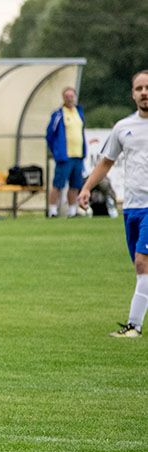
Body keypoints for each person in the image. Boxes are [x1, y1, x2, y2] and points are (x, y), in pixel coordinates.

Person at [78, 70, 148, 337]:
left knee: (143, 263)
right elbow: (106, 162)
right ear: (132, 94)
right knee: (141, 269)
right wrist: (86, 188)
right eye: (139, 88)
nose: (144, 92)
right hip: (131, 208)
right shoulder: (122, 127)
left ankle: (134, 326)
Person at [46, 86, 87, 218]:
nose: (70, 99)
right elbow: (50, 135)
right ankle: (52, 210)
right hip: (64, 156)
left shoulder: (79, 112)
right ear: (63, 98)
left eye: (71, 96)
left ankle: (72, 211)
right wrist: (57, 151)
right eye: (67, 97)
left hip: (78, 155)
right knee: (58, 184)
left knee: (75, 185)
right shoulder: (58, 114)